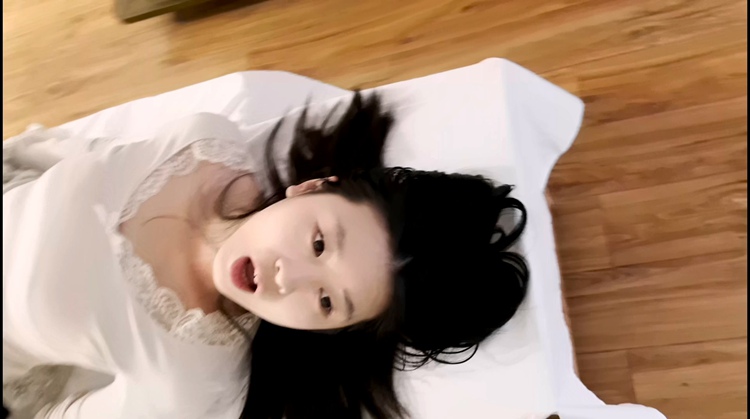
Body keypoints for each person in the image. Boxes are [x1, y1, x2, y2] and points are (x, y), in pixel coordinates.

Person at [3, 92, 528, 419]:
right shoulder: (205, 139)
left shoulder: (186, 384)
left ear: (332, 331)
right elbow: (76, 160)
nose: (287, 277)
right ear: (314, 187)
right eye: (319, 243)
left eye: (327, 301)